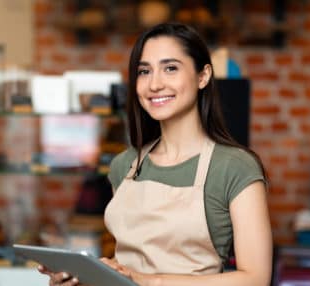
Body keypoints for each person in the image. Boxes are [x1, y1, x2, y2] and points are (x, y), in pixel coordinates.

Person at [39, 22, 272, 286]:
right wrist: (82, 279)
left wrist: (149, 281)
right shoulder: (124, 165)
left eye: (170, 68)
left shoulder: (235, 168)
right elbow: (127, 270)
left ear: (203, 76)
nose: (154, 84)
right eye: (144, 71)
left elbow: (256, 278)